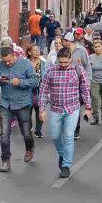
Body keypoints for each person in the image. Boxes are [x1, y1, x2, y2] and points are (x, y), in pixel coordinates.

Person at [38, 47, 92, 178]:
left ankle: (66, 165)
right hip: (55, 109)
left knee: (68, 136)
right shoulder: (50, 71)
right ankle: (62, 154)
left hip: (72, 109)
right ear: (57, 59)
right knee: (55, 135)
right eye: (60, 62)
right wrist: (41, 109)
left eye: (65, 62)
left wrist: (88, 108)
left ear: (70, 60)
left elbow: (85, 89)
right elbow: (43, 90)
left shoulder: (78, 70)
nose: (62, 65)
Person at [0, 47, 39, 172]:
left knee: (26, 133)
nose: (7, 64)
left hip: (22, 104)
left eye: (9, 61)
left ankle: (29, 148)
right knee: (4, 134)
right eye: (5, 62)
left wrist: (20, 82)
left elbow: (35, 81)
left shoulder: (25, 64)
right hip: (6, 104)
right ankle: (6, 160)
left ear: (14, 55)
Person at [63, 32, 92, 140]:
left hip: (79, 83)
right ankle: (67, 128)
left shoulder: (82, 50)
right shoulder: (63, 51)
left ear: (69, 41)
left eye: (64, 41)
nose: (62, 43)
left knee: (76, 107)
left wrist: (88, 82)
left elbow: (87, 66)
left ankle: (76, 129)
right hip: (66, 83)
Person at [26, 44, 47, 138]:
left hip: (40, 91)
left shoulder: (44, 64)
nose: (37, 52)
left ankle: (38, 130)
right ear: (29, 52)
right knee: (27, 112)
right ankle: (29, 127)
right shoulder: (25, 63)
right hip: (27, 91)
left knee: (40, 111)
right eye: (34, 50)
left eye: (38, 50)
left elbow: (47, 78)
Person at [89, 40, 102, 124]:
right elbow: (87, 68)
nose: (97, 48)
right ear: (93, 48)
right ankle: (95, 117)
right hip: (94, 80)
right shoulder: (90, 57)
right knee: (94, 98)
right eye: (95, 47)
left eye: (99, 46)